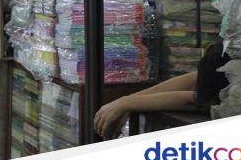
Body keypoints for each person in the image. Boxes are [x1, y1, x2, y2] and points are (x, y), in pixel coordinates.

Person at [94, 42, 231, 140]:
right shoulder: (230, 60)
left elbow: (194, 99)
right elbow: (195, 85)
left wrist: (126, 103)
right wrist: (124, 102)